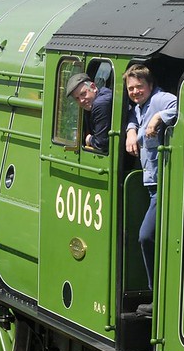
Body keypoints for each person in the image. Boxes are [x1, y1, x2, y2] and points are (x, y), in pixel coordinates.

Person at [124, 64, 177, 316]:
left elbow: (178, 105)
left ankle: (157, 298)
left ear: (150, 85)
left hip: (163, 185)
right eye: (131, 88)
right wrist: (131, 130)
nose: (135, 92)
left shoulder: (159, 100)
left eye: (139, 87)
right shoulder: (140, 106)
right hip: (150, 182)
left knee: (146, 236)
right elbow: (134, 115)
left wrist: (158, 118)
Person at [65, 72, 113, 152]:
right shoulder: (101, 95)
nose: (81, 100)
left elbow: (101, 143)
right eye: (77, 98)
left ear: (93, 87)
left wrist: (89, 139)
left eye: (83, 94)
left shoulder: (100, 104)